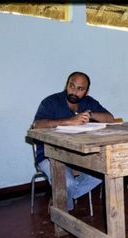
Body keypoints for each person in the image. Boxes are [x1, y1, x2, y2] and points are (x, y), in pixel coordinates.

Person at [32, 71, 115, 211]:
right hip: (49, 155)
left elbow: (111, 119)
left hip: (78, 155)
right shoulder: (51, 101)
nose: (74, 91)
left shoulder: (89, 102)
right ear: (67, 85)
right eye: (71, 86)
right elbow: (37, 125)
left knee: (106, 171)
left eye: (80, 89)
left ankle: (60, 197)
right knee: (68, 183)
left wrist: (90, 114)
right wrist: (69, 121)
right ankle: (64, 211)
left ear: (86, 92)